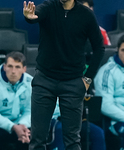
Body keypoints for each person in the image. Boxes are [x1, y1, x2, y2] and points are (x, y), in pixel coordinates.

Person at [23, 0, 105, 149]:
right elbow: (35, 15)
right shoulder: (48, 7)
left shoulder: (86, 15)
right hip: (44, 81)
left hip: (73, 84)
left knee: (72, 141)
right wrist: (29, 16)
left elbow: (99, 48)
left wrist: (87, 79)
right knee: (37, 139)